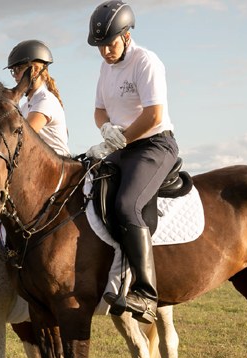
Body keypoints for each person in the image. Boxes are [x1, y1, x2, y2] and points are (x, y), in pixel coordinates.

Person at [86, 0, 179, 324]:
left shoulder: (146, 62)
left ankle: (146, 294)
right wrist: (106, 128)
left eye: (109, 43)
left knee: (127, 205)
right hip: (122, 146)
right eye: (99, 46)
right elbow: (99, 110)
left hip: (154, 144)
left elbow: (154, 114)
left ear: (126, 35)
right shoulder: (105, 68)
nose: (105, 51)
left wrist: (121, 137)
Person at [5, 40, 70, 156]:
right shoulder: (25, 106)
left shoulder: (45, 101)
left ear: (34, 70)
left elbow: (21, 137)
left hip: (58, 169)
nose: (15, 76)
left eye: (17, 70)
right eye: (13, 71)